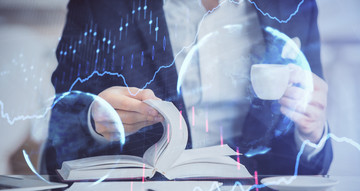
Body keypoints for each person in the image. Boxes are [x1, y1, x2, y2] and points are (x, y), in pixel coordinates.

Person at [41, 0, 332, 176]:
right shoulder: (102, 6)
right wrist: (93, 120)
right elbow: (58, 140)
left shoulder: (293, 6)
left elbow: (311, 159)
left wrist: (311, 133)